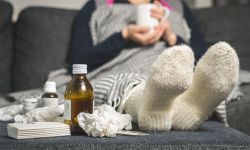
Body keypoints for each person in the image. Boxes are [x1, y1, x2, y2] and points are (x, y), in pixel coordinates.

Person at [67, 0, 239, 131]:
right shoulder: (97, 5)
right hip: (120, 67)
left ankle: (168, 111)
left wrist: (172, 38)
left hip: (174, 67)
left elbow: (203, 57)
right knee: (129, 81)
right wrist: (124, 35)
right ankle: (168, 110)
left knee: (182, 78)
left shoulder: (176, 7)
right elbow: (77, 60)